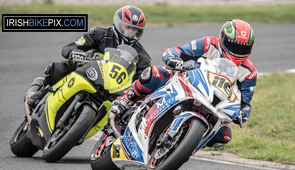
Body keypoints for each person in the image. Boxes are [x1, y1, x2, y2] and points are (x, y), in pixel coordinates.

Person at [109, 19, 257, 148]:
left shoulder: (249, 73)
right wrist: (173, 58)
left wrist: (243, 114)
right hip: (188, 79)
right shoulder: (209, 44)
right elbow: (177, 51)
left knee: (223, 135)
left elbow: (245, 103)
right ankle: (125, 100)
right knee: (156, 73)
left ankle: (183, 145)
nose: (238, 52)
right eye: (234, 46)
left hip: (214, 102)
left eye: (243, 48)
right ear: (223, 38)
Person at [27, 5, 152, 108]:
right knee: (65, 66)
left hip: (112, 91)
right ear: (118, 23)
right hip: (88, 73)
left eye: (135, 29)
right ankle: (40, 93)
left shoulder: (143, 57)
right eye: (127, 27)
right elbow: (69, 47)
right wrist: (74, 53)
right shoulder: (99, 34)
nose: (131, 32)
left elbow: (140, 83)